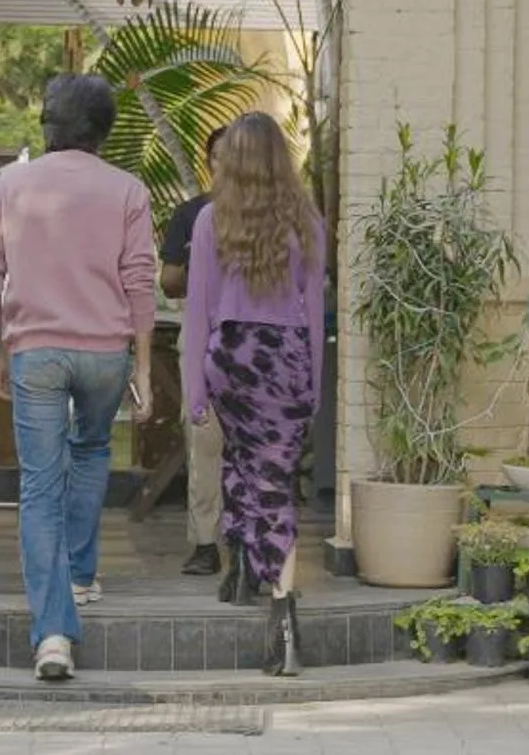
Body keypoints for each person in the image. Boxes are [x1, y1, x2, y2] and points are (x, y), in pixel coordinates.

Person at [0, 74, 157, 683]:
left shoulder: (11, 185)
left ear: (48, 125)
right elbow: (139, 282)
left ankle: (52, 634)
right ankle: (79, 576)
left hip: (38, 353)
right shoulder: (128, 190)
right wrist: (144, 366)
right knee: (94, 447)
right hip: (105, 353)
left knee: (39, 487)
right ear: (104, 129)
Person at [179, 110, 328, 677]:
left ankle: (249, 572)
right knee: (275, 481)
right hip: (285, 358)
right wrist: (313, 386)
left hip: (232, 358)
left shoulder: (210, 219)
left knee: (244, 465)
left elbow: (199, 312)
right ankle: (280, 609)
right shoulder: (307, 222)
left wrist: (195, 390)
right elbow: (313, 312)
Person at [158, 125, 233, 578]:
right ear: (209, 162)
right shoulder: (191, 214)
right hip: (201, 330)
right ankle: (205, 542)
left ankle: (246, 540)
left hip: (253, 338)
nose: (228, 163)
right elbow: (168, 280)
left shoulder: (271, 215)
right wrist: (199, 266)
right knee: (203, 438)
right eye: (220, 156)